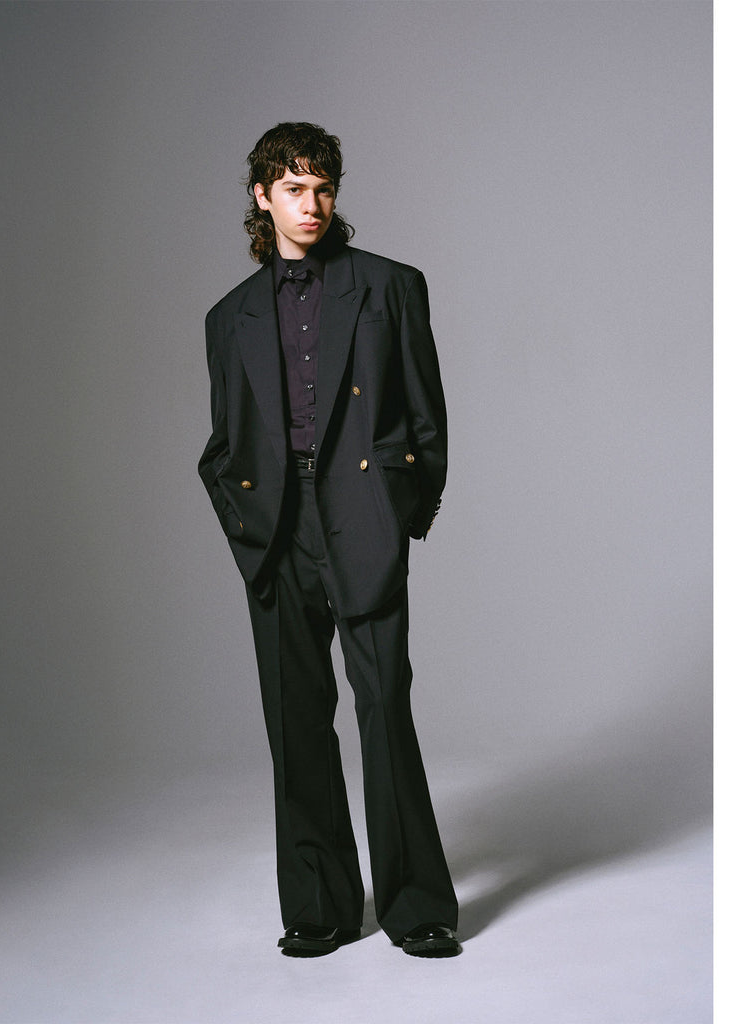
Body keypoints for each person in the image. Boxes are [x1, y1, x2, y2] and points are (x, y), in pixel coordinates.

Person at [198, 122, 460, 958]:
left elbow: (426, 415)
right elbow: (224, 444)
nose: (310, 204)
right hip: (274, 527)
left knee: (384, 705)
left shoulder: (389, 286)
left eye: (322, 188)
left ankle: (416, 905)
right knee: (295, 719)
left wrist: (401, 509)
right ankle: (318, 905)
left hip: (363, 511)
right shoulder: (228, 316)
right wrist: (244, 527)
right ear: (261, 196)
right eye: (293, 189)